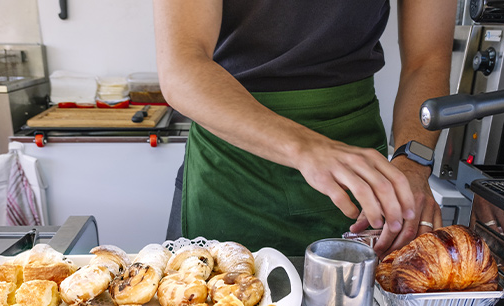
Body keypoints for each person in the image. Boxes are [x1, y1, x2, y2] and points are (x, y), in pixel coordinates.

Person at [153, 0, 457, 257]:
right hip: (232, 165)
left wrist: (413, 162)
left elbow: (427, 60)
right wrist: (304, 146)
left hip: (361, 175)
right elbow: (182, 66)